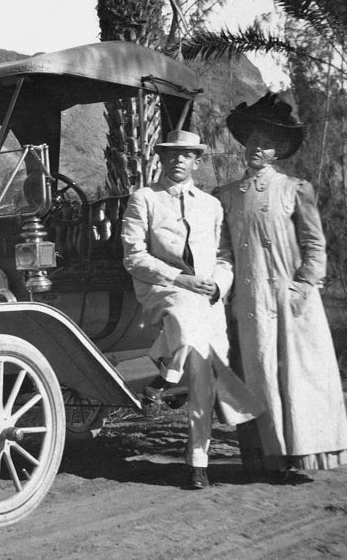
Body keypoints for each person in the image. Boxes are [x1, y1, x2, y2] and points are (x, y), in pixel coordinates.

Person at [215, 93, 347, 483]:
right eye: (253, 140)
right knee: (255, 375)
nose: (258, 148)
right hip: (248, 300)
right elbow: (224, 250)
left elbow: (314, 245)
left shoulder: (295, 190)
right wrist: (225, 292)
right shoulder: (225, 197)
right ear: (244, 146)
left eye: (267, 143)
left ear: (277, 151)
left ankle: (299, 456)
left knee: (295, 378)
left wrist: (303, 286)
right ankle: (263, 460)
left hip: (291, 300)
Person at [122, 129, 264, 490]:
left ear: (197, 162)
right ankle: (168, 375)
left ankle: (197, 462)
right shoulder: (144, 198)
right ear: (162, 158)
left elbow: (224, 256)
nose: (178, 160)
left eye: (186, 155)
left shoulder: (211, 205)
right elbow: (134, 256)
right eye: (171, 154)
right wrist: (180, 280)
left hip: (207, 297)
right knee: (185, 325)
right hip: (162, 289)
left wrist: (218, 283)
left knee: (203, 378)